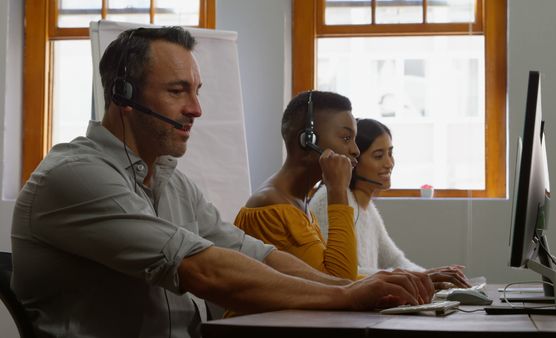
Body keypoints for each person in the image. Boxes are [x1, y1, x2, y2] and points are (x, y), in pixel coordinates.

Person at [11, 27, 433, 338]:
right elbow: (202, 269)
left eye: (196, 91)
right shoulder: (76, 176)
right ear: (123, 96)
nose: (196, 108)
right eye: (178, 91)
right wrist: (346, 296)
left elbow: (256, 254)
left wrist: (357, 287)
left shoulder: (172, 183)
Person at [309, 118, 470, 289]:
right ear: (353, 161)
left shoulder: (367, 208)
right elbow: (342, 274)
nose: (389, 163)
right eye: (378, 156)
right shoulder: (330, 198)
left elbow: (395, 260)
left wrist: (437, 279)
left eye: (390, 153)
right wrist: (423, 277)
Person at [234, 91, 365, 281]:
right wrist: (337, 190)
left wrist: (388, 280)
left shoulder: (297, 204)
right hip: (261, 313)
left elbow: (333, 280)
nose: (355, 150)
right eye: (346, 138)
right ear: (307, 140)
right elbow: (339, 282)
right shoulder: (270, 205)